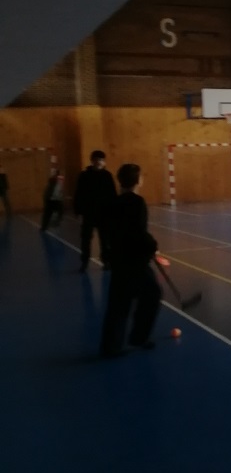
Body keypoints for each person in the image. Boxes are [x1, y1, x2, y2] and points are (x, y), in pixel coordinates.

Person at [99, 163, 162, 358]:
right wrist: (152, 246)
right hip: (135, 260)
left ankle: (110, 346)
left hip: (119, 258)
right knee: (152, 294)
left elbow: (108, 230)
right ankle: (138, 337)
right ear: (137, 180)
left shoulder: (113, 202)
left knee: (119, 302)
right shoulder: (137, 202)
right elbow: (138, 231)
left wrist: (108, 252)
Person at [73, 150, 117, 271]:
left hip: (104, 213)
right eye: (97, 159)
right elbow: (79, 193)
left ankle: (106, 261)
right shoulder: (84, 175)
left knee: (105, 239)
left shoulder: (107, 176)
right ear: (92, 161)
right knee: (86, 238)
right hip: (89, 213)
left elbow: (112, 194)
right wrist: (78, 210)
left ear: (104, 162)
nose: (99, 162)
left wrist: (114, 211)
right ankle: (84, 261)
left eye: (101, 160)